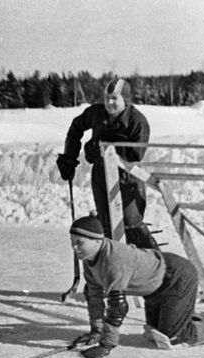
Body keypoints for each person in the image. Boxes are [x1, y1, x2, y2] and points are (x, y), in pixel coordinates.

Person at [68, 213, 204, 358]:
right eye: (72, 242)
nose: (74, 248)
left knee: (172, 337)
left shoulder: (114, 260)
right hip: (155, 289)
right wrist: (96, 331)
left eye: (79, 243)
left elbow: (118, 307)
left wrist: (106, 345)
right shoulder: (90, 258)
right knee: (155, 333)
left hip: (177, 277)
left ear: (97, 240)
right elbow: (94, 295)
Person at [56, 78, 158, 250]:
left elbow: (135, 155)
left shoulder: (137, 122)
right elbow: (76, 127)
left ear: (125, 99)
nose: (109, 103)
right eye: (107, 97)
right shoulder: (97, 112)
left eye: (115, 98)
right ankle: (113, 268)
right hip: (101, 176)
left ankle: (157, 265)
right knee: (106, 225)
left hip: (128, 178)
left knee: (132, 225)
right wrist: (69, 157)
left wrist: (105, 149)